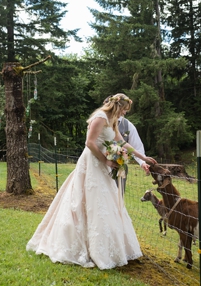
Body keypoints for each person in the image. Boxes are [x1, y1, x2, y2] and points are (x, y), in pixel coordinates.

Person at [26, 93, 158, 270]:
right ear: (117, 107)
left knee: (107, 203)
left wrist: (143, 157)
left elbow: (121, 142)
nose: (124, 114)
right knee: (88, 200)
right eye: (124, 111)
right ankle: (85, 247)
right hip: (92, 163)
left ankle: (108, 247)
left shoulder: (113, 120)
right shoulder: (100, 117)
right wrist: (105, 160)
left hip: (103, 165)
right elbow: (89, 142)